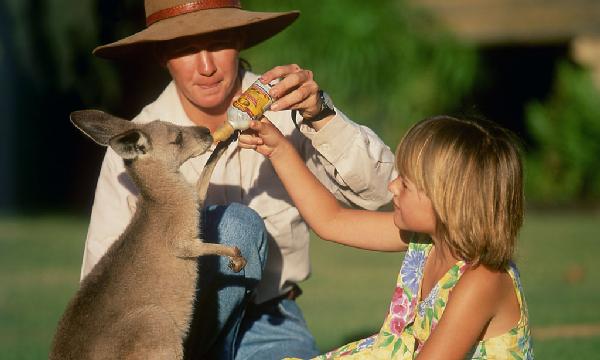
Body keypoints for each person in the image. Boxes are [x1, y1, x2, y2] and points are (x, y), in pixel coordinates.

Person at [81, 1, 396, 359]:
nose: (206, 67)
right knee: (235, 227)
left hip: (271, 318)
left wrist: (323, 116)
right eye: (185, 48)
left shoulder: (287, 108)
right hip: (179, 327)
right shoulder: (137, 148)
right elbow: (103, 286)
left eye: (217, 43)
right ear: (161, 55)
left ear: (240, 39)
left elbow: (382, 195)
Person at [239, 115, 534, 359]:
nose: (392, 187)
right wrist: (279, 149)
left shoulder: (482, 280)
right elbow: (332, 221)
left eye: (405, 183)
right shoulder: (426, 240)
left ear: (448, 201)